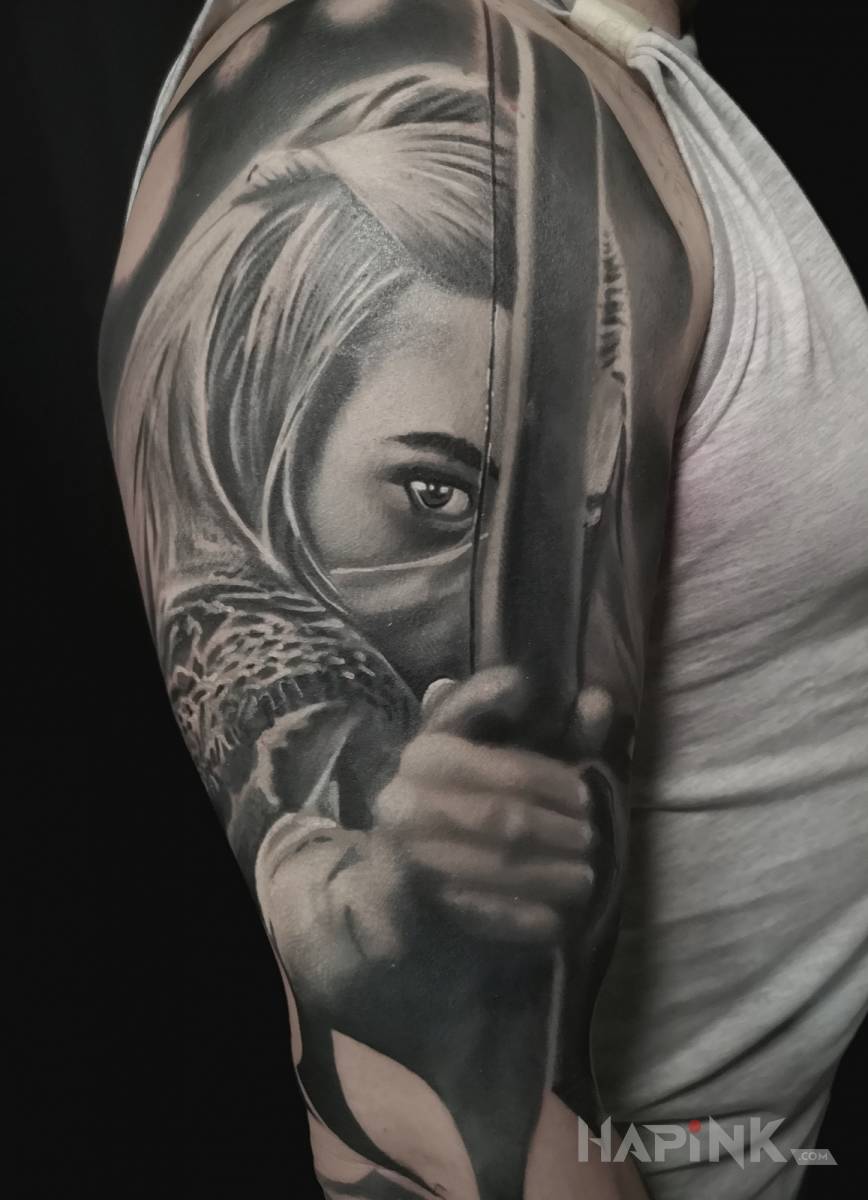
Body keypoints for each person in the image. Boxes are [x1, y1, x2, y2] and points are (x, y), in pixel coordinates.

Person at [99, 2, 868, 1198]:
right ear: (265, 456)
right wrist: (383, 915)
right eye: (435, 493)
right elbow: (425, 1134)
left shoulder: (593, 77)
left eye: (576, 501)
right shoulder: (440, 75)